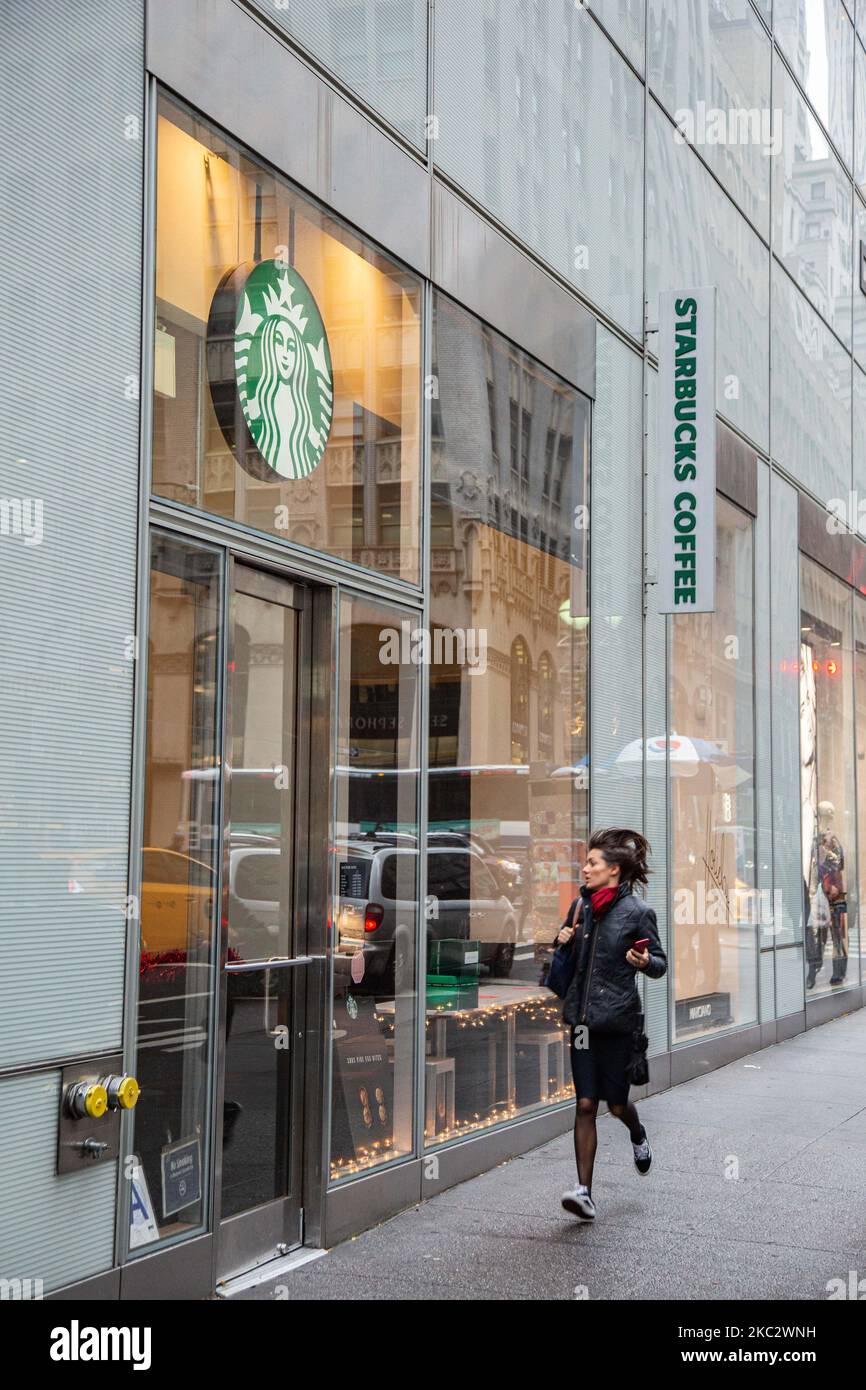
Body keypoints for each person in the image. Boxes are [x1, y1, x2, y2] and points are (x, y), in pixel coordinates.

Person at [557, 828, 667, 1222]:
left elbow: (660, 962)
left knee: (616, 1104)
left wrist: (644, 962)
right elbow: (568, 961)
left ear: (614, 871)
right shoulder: (580, 908)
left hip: (618, 1023)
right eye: (586, 862)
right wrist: (563, 938)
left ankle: (636, 1133)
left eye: (592, 863)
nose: (584, 869)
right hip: (583, 1023)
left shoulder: (638, 913)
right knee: (586, 1103)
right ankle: (584, 1192)